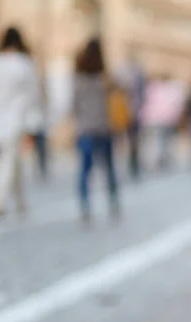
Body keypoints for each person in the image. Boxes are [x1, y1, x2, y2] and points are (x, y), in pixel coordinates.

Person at [0, 27, 42, 217]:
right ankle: (0, 201)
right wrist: (32, 124)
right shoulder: (25, 63)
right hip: (15, 119)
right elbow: (33, 95)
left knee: (11, 160)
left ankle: (19, 200)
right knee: (8, 160)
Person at [72, 38, 119, 223]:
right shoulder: (105, 78)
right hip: (103, 128)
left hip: (85, 129)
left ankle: (85, 206)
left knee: (84, 171)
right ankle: (113, 202)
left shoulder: (78, 78)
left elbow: (73, 105)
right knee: (108, 169)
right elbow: (123, 88)